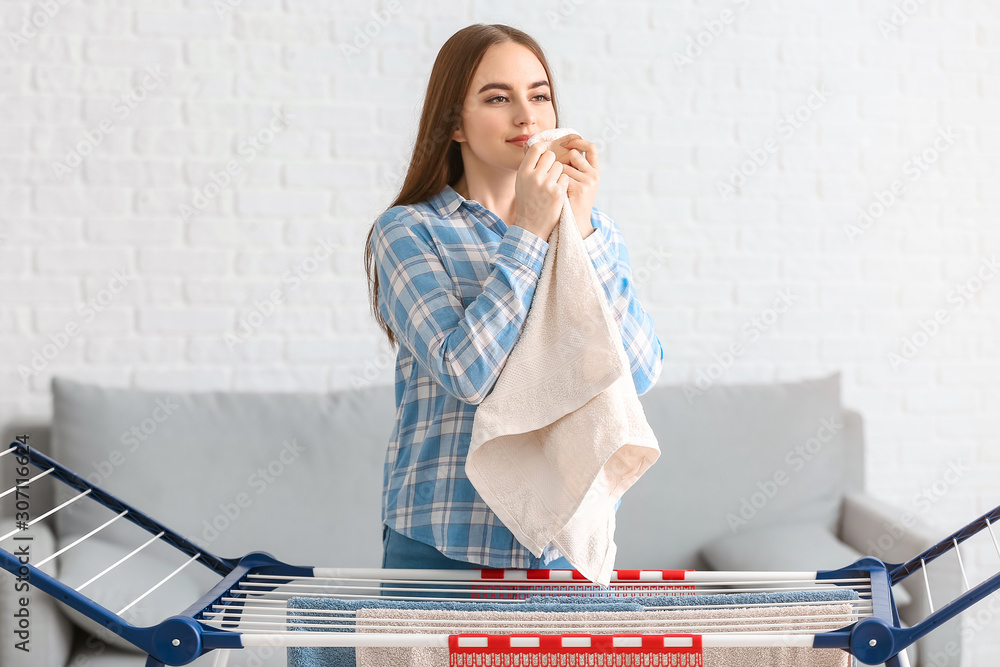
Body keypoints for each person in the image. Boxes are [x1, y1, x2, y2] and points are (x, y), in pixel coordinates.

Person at [363, 24, 663, 578]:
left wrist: (580, 229)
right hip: (443, 542)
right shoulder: (409, 231)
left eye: (539, 95)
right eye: (498, 98)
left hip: (564, 549)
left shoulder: (595, 232)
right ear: (454, 123)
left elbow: (639, 372)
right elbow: (468, 374)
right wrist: (528, 229)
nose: (527, 116)